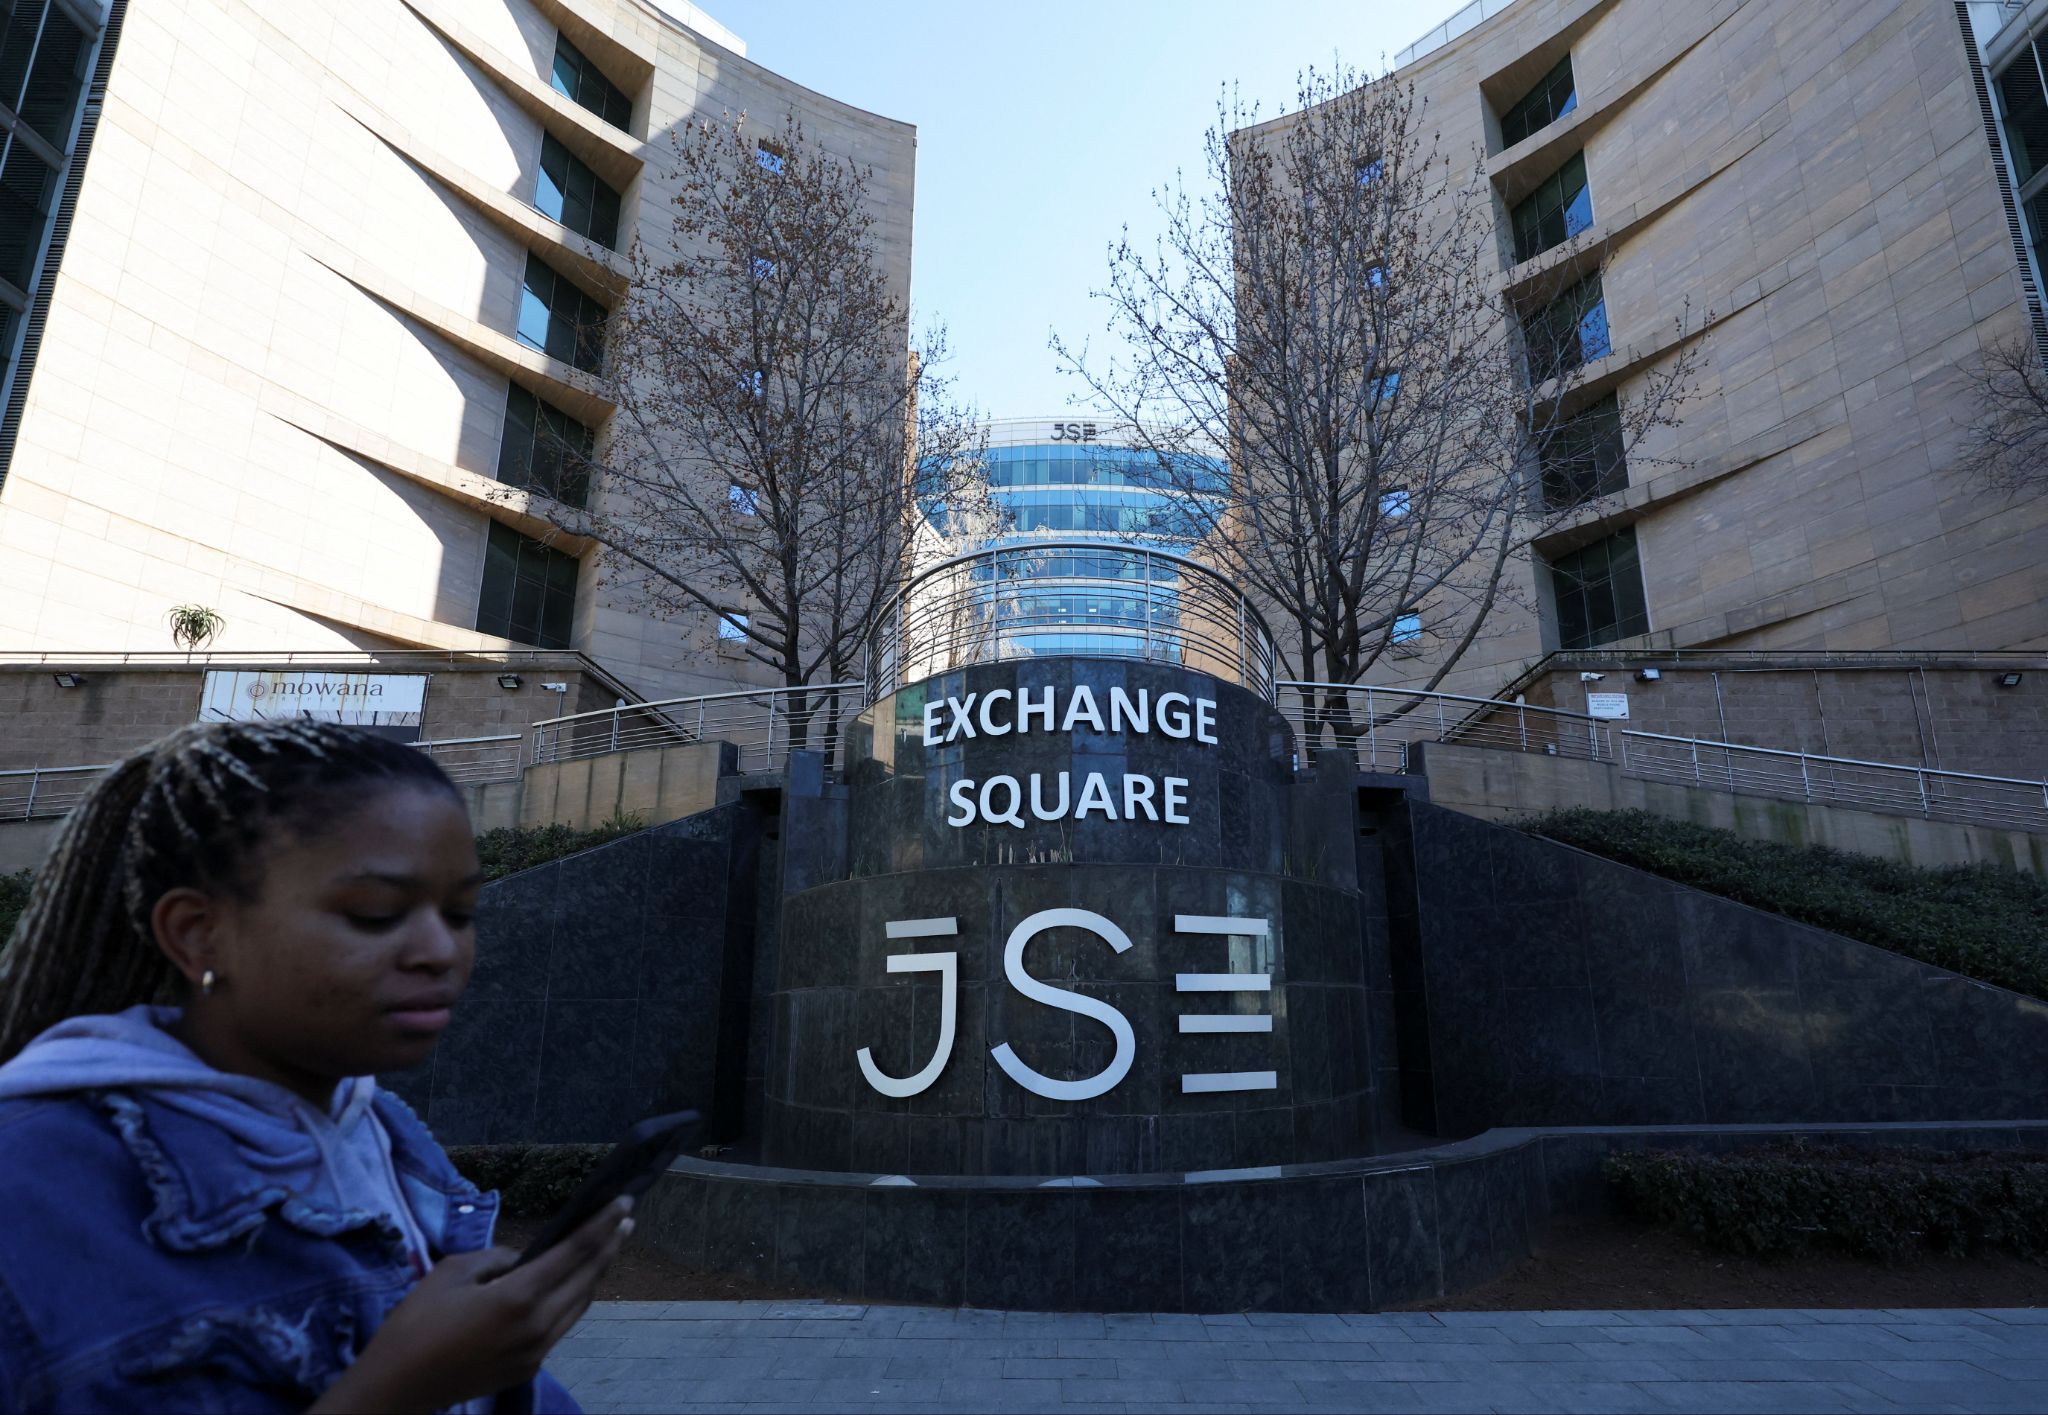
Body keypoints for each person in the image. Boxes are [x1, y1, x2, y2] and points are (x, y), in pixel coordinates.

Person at [0, 719, 631, 1413]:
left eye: (461, 912)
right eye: (375, 912)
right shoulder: (30, 1184)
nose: (439, 950)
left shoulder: (386, 1135)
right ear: (198, 933)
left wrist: (501, 1358)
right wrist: (399, 1387)